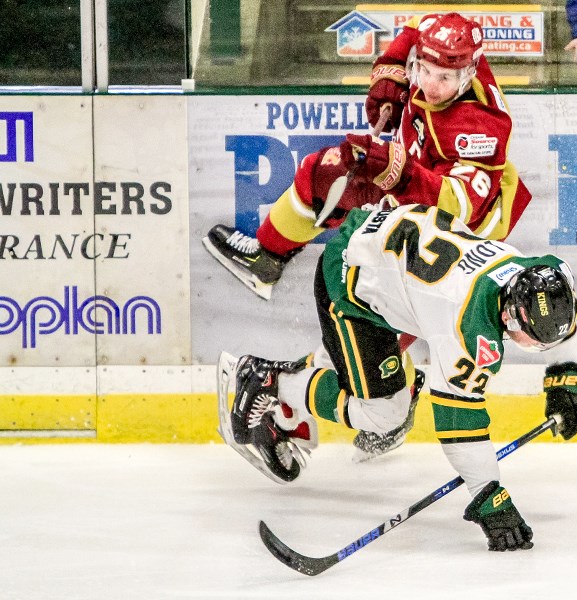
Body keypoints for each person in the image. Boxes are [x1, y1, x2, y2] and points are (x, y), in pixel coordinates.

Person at [205, 11, 534, 460]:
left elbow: (457, 205)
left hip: (455, 237)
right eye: (424, 70)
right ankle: (268, 257)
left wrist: (394, 174)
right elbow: (418, 32)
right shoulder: (450, 52)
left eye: (443, 76)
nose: (430, 84)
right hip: (417, 204)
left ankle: (294, 407)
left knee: (370, 334)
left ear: (468, 71)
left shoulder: (480, 126)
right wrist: (392, 73)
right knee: (329, 173)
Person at [219, 203, 577, 551]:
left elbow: (559, 321)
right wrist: (488, 494)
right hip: (352, 280)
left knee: (367, 376)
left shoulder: (540, 274)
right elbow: (457, 421)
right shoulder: (467, 327)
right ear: (512, 315)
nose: (536, 345)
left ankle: (331, 376)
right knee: (384, 414)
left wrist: (570, 372)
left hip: (392, 256)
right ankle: (267, 381)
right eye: (532, 339)